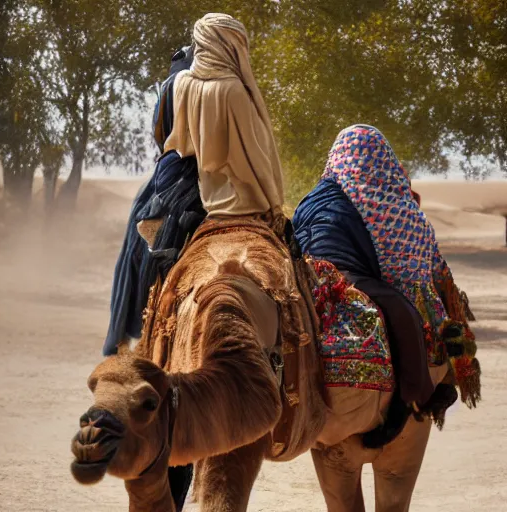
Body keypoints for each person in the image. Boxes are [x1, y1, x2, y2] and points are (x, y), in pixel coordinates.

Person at [293, 125, 479, 419]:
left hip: (305, 281)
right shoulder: (385, 201)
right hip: (351, 279)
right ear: (381, 157)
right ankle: (420, 396)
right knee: (409, 312)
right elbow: (406, 273)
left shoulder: (312, 197)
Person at [103, 47, 206, 357]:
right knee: (150, 244)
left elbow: (162, 136)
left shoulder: (173, 86)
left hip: (177, 174)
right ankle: (139, 336)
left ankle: (129, 331)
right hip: (184, 179)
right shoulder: (190, 85)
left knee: (139, 251)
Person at [165, 13, 284, 228]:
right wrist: (275, 206)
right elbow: (255, 155)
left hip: (206, 197)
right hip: (245, 204)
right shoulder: (233, 89)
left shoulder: (182, 83)